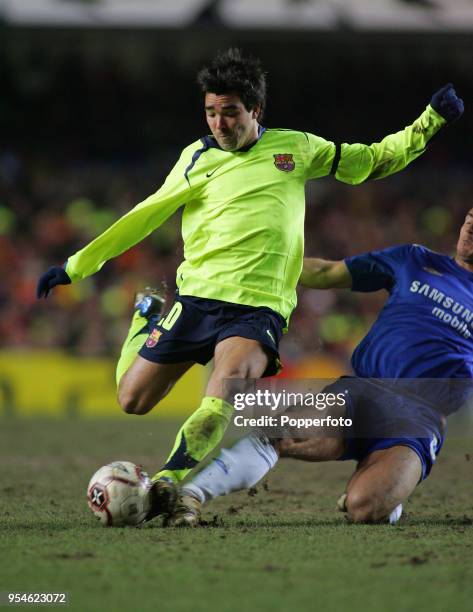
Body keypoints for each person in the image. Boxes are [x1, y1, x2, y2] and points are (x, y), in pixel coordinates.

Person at [36, 48, 463, 522]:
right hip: (196, 298)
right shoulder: (195, 158)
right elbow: (145, 215)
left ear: (255, 110)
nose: (219, 123)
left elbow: (371, 160)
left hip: (256, 310)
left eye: (230, 112)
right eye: (211, 112)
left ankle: (166, 483)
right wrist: (76, 266)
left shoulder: (295, 148)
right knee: (132, 399)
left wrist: (428, 122)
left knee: (222, 396)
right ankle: (147, 317)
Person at [178, 209, 473, 526]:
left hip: (419, 419)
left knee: (364, 507)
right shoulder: (414, 259)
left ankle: (385, 495)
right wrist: (261, 265)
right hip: (363, 392)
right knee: (280, 432)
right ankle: (189, 496)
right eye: (470, 217)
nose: (471, 226)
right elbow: (325, 273)